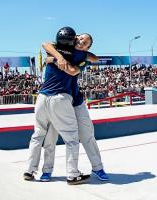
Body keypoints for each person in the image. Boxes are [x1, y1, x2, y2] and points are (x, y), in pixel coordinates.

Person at [24, 27, 90, 185]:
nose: (79, 40)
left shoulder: (53, 51)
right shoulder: (76, 54)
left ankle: (29, 170)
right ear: (73, 40)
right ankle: (72, 174)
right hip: (59, 98)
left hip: (41, 98)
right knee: (72, 138)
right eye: (77, 38)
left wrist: (54, 58)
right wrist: (59, 59)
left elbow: (45, 44)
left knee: (38, 135)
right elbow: (75, 70)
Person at [39, 33, 109, 182]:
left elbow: (91, 60)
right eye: (82, 38)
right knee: (50, 137)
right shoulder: (62, 47)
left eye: (86, 43)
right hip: (56, 99)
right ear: (75, 37)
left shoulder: (84, 57)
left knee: (87, 135)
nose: (83, 42)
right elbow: (45, 44)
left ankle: (98, 168)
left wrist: (53, 59)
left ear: (87, 48)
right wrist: (58, 57)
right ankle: (46, 171)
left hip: (75, 100)